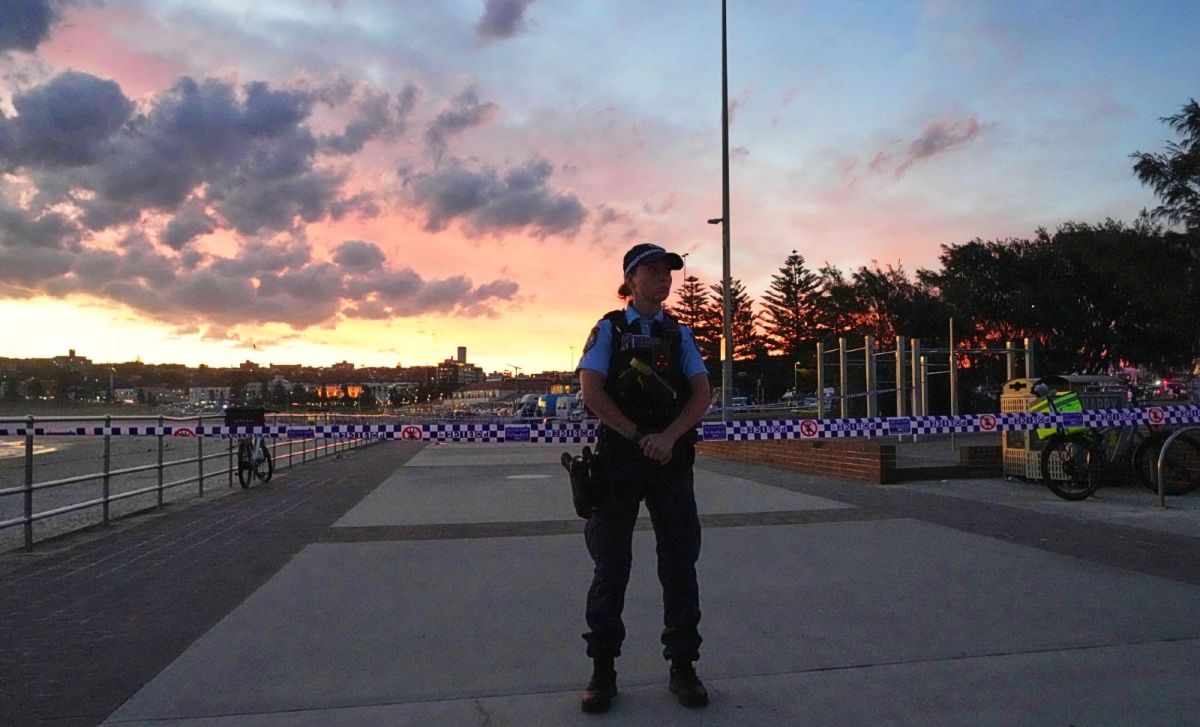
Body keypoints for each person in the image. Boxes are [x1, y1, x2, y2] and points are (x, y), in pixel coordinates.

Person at [574, 242, 713, 713]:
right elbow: (591, 392)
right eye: (652, 270)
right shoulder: (608, 329)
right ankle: (603, 671)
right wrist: (638, 437)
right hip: (619, 461)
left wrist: (669, 437)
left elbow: (701, 394)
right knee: (611, 568)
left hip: (670, 461)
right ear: (630, 280)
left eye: (667, 271)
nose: (663, 278)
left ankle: (683, 667)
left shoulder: (680, 334)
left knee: (680, 565)